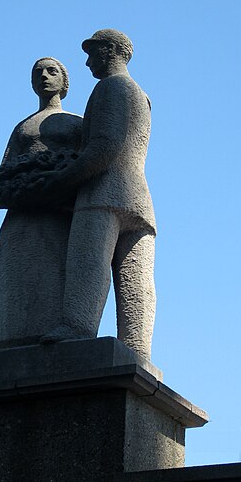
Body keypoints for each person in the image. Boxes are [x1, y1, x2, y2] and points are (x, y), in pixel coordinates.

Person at [40, 30, 157, 360]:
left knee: (88, 263)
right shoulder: (141, 94)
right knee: (136, 279)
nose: (88, 62)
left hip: (104, 193)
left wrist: (61, 179)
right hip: (140, 201)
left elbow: (104, 148)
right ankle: (137, 350)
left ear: (110, 52)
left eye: (92, 53)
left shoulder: (110, 88)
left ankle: (77, 326)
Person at [0, 58, 82, 351]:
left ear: (64, 82)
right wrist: (1, 192)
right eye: (38, 72)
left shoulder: (76, 123)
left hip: (59, 213)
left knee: (54, 275)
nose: (44, 77)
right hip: (21, 216)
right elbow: (3, 170)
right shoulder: (23, 127)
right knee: (16, 278)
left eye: (52, 71)